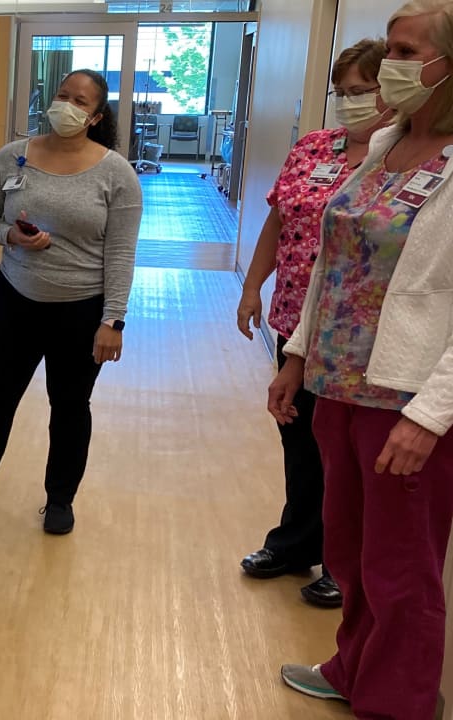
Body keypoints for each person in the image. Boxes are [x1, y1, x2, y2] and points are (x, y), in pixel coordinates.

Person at [268, 3, 453, 717]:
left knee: (402, 568)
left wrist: (432, 416)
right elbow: (330, 265)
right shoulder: (384, 147)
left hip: (405, 400)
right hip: (338, 382)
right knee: (348, 552)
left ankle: (398, 701)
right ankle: (355, 667)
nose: (389, 71)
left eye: (406, 52)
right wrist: (294, 357)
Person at [0, 69, 142, 534]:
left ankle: (60, 500)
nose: (67, 105)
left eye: (80, 101)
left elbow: (122, 251)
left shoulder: (116, 173)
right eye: (62, 95)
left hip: (81, 307)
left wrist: (114, 319)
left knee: (70, 405)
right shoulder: (14, 157)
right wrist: (10, 234)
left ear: (95, 116)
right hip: (15, 298)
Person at [236, 39, 392, 610]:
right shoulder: (312, 148)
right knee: (298, 438)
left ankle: (342, 563)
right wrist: (253, 287)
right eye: (343, 93)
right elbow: (279, 217)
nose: (350, 103)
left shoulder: (400, 162)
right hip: (293, 322)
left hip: (360, 337)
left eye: (363, 92)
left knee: (345, 454)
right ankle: (295, 542)